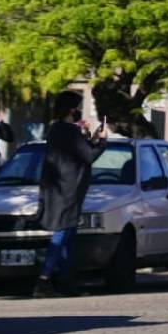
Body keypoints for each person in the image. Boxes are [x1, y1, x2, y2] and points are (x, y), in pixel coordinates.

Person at [34, 91, 107, 297]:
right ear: (71, 109)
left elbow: (79, 152)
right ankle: (44, 279)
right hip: (69, 189)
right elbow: (89, 156)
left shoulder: (56, 129)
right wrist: (101, 141)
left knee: (68, 236)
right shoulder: (69, 130)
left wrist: (89, 139)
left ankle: (67, 282)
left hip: (60, 188)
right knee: (62, 233)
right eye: (77, 108)